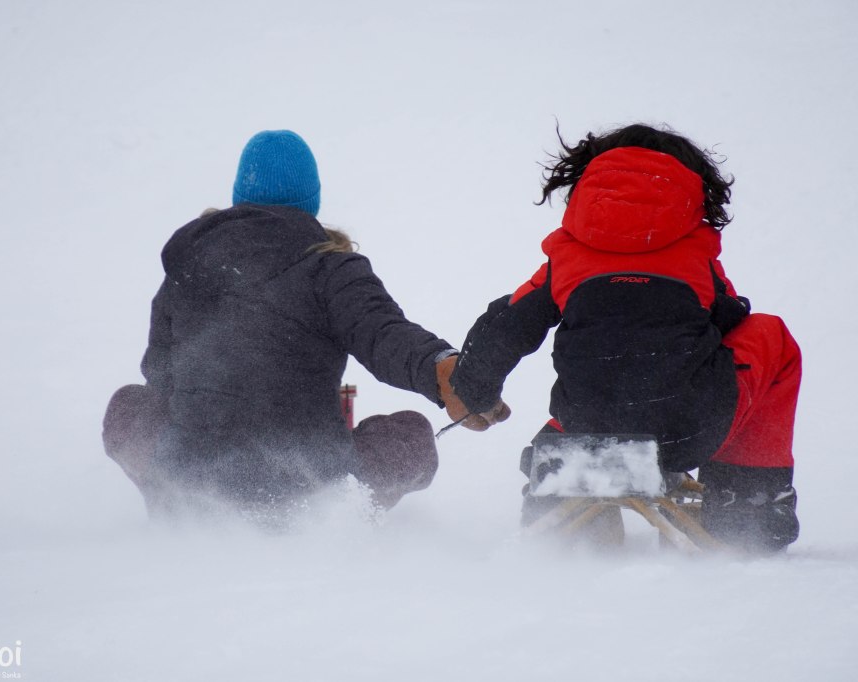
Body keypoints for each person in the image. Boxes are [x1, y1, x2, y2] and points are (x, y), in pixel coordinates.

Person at [103, 129, 508, 518]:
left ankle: (180, 502)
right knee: (412, 435)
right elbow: (384, 334)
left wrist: (205, 421)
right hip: (309, 484)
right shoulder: (331, 268)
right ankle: (339, 515)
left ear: (240, 196)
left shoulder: (190, 264)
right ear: (310, 201)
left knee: (128, 407)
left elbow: (159, 372)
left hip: (193, 475)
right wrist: (442, 371)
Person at [444, 123, 801, 552]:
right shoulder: (695, 253)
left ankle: (565, 495)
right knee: (769, 333)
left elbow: (506, 326)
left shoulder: (567, 255)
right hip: (689, 429)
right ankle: (747, 507)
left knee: (599, 381)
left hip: (586, 425)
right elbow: (728, 320)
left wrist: (477, 393)